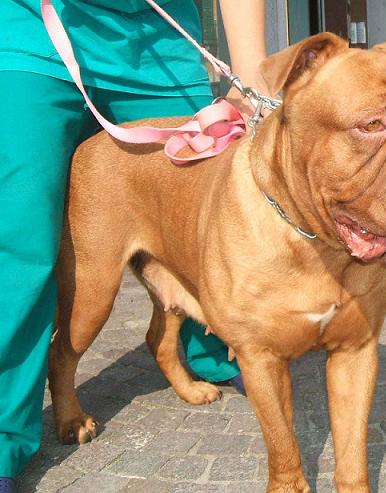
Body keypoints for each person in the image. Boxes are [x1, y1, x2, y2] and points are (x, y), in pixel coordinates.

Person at [0, 0, 268, 489]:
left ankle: (211, 350)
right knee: (19, 231)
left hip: (158, 45)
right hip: (33, 31)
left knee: (209, 204)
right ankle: (3, 430)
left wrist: (250, 76)